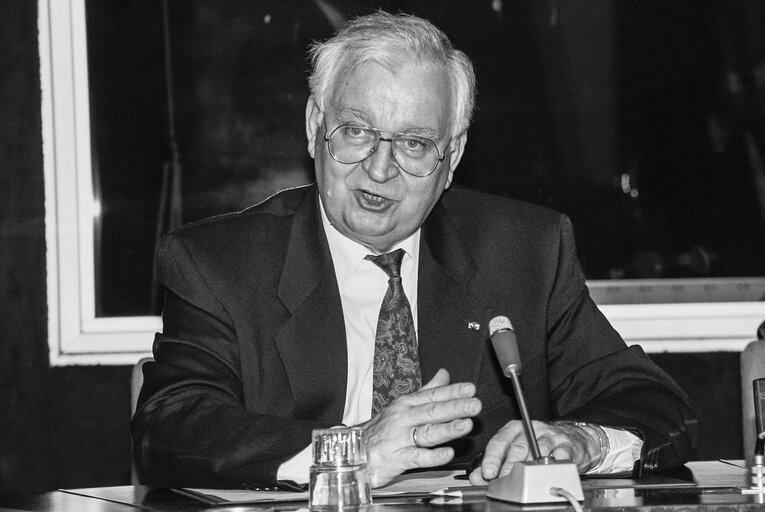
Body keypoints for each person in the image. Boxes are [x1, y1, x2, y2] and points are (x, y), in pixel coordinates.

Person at [132, 11, 697, 489]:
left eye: (413, 143)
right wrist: (350, 451)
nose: (380, 168)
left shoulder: (524, 251)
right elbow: (169, 427)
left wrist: (579, 440)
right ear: (314, 127)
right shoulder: (219, 262)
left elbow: (652, 403)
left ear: (451, 158)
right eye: (356, 131)